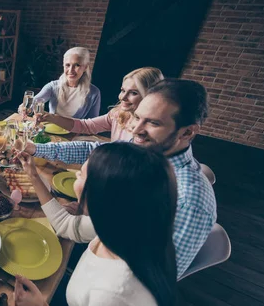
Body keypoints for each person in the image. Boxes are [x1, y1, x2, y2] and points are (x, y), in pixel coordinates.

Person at [17, 79, 216, 278]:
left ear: (188, 132)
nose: (137, 130)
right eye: (137, 117)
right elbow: (95, 150)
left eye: (153, 123)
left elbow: (154, 280)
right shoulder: (147, 150)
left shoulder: (189, 202)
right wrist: (36, 149)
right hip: (93, 251)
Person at [15, 143, 177, 306]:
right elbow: (66, 225)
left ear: (104, 194)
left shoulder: (115, 298)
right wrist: (33, 175)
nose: (75, 177)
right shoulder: (127, 228)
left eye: (81, 174)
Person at [37, 67, 164, 142]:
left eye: (134, 93)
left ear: (150, 96)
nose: (123, 98)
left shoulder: (153, 132)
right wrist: (50, 117)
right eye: (123, 90)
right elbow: (85, 126)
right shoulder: (118, 113)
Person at [29, 47, 101, 119]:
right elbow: (34, 102)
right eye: (67, 65)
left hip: (74, 131)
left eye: (77, 65)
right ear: (63, 65)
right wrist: (26, 107)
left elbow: (93, 123)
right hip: (49, 129)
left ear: (85, 67)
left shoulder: (94, 93)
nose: (71, 70)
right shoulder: (53, 86)